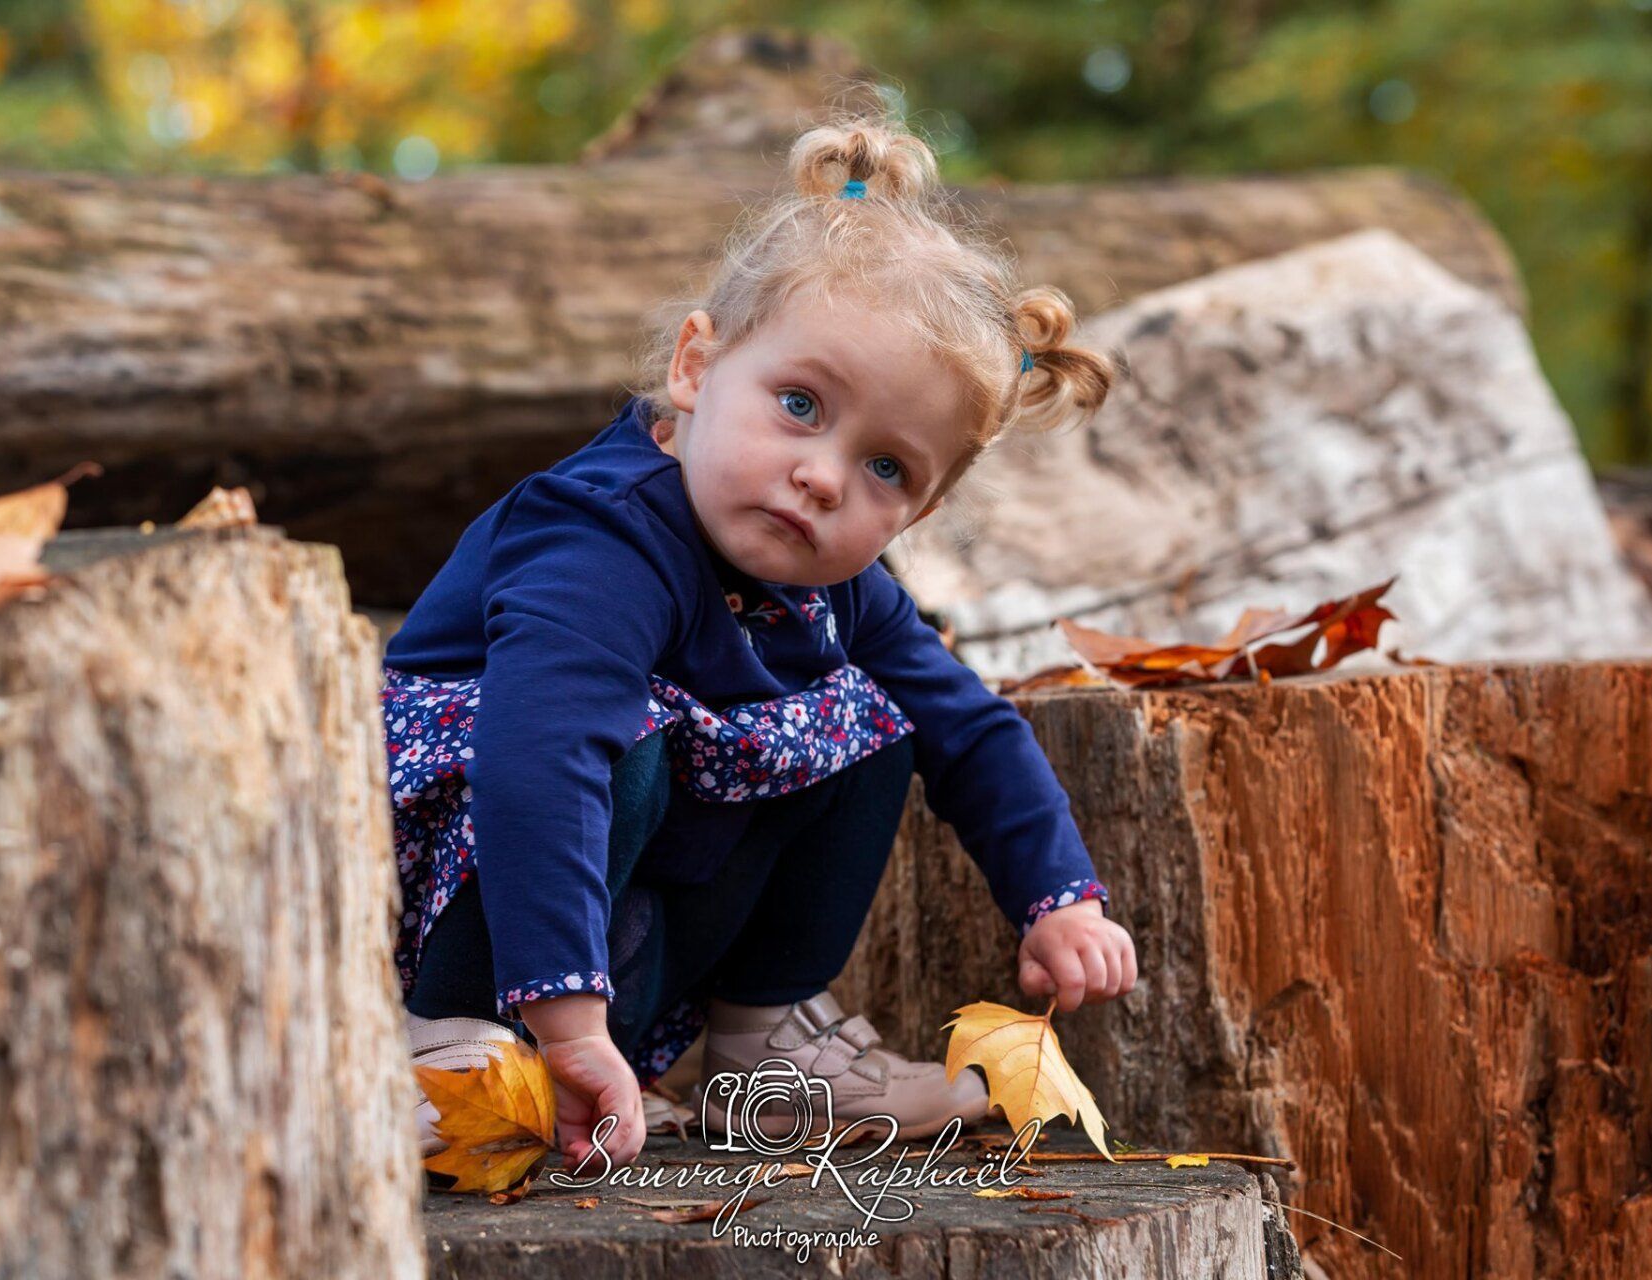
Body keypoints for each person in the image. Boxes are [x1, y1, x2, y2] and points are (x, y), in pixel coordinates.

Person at [384, 110, 1137, 1182]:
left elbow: (967, 722)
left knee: (880, 717)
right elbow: (539, 758)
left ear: (916, 514)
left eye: (887, 468)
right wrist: (567, 1017)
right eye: (798, 404)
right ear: (696, 365)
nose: (825, 474)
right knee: (619, 730)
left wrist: (1060, 894)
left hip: (603, 937)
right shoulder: (603, 534)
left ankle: (761, 1041)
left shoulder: (839, 591)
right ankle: (450, 1044)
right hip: (447, 888)